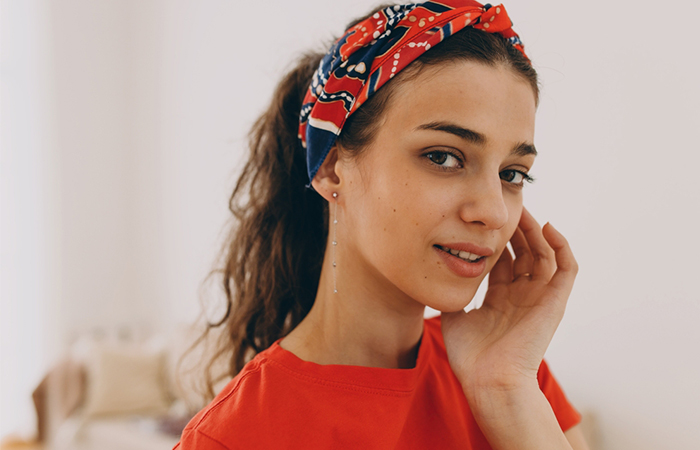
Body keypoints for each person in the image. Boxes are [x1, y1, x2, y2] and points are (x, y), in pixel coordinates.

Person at [175, 1, 589, 448]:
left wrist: (506, 393)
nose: (494, 211)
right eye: (444, 157)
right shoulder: (234, 437)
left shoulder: (510, 370)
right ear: (332, 169)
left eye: (512, 174)